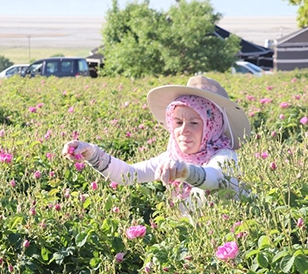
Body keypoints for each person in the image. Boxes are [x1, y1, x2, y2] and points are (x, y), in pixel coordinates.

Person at [63, 76, 251, 211]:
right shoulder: (172, 158)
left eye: (194, 123)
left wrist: (185, 171)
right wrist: (92, 153)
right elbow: (129, 175)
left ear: (212, 126)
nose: (183, 130)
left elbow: (215, 178)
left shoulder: (225, 156)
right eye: (178, 122)